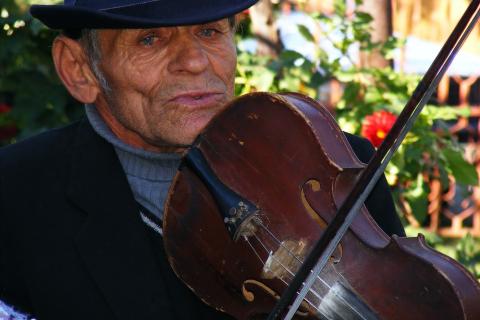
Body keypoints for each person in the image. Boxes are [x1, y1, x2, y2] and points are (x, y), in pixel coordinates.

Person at [0, 1, 405, 319]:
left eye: (210, 32)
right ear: (79, 70)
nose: (194, 62)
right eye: (149, 40)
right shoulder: (16, 195)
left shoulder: (336, 164)